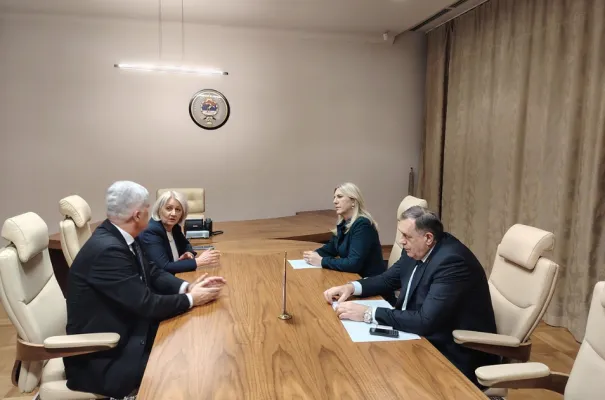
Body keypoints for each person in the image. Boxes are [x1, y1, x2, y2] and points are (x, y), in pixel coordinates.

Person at [64, 181, 226, 399]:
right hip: (105, 356)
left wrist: (187, 286)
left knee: (194, 344)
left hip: (128, 329)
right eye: (148, 209)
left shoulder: (121, 235)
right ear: (138, 214)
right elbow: (146, 304)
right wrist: (191, 299)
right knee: (186, 368)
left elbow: (152, 270)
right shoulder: (108, 250)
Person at [323, 206, 498, 387]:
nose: (401, 241)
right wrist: (351, 287)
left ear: (428, 238)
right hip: (417, 336)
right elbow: (388, 279)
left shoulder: (451, 262)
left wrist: (368, 313)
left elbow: (425, 321)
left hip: (452, 354)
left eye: (407, 236)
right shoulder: (416, 249)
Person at [302, 182, 385, 278]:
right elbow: (331, 248)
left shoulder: (363, 225)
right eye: (334, 197)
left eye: (340, 197)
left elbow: (353, 264)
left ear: (353, 201)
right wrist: (313, 255)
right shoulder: (343, 223)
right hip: (352, 277)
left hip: (368, 280)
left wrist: (321, 261)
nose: (335, 201)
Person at [139, 190, 220, 274]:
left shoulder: (174, 227)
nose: (173, 213)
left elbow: (186, 245)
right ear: (159, 210)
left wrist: (188, 253)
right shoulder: (151, 232)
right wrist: (198, 261)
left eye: (178, 209)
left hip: (176, 275)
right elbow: (164, 267)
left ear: (182, 213)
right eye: (168, 208)